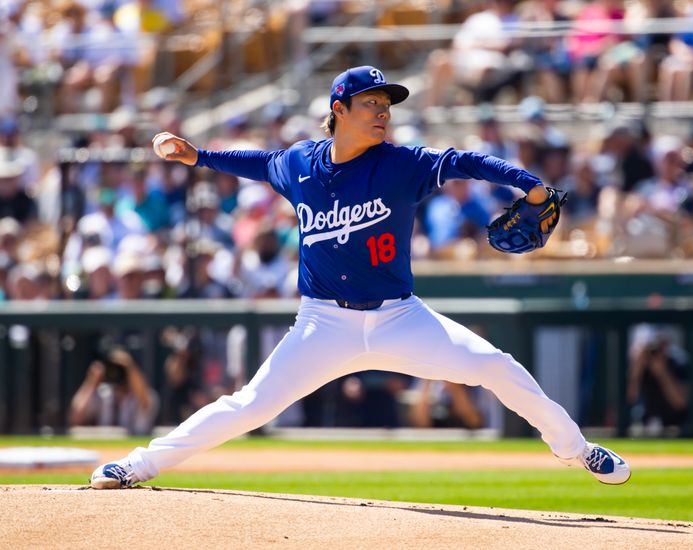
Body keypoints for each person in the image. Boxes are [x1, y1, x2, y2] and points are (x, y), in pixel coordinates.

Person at [90, 65, 631, 489]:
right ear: (339, 109)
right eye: (371, 103)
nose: (382, 113)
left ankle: (576, 449)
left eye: (386, 105)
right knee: (249, 405)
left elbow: (466, 161)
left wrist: (529, 185)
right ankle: (137, 465)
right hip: (321, 325)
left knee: (496, 365)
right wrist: (200, 156)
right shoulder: (300, 163)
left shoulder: (401, 164)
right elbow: (258, 163)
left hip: (400, 317)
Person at [69, 346, 159, 436]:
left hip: (134, 443)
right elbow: (76, 417)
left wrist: (128, 365)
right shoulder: (104, 393)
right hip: (105, 444)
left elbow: (144, 396)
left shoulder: (143, 396)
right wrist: (92, 381)